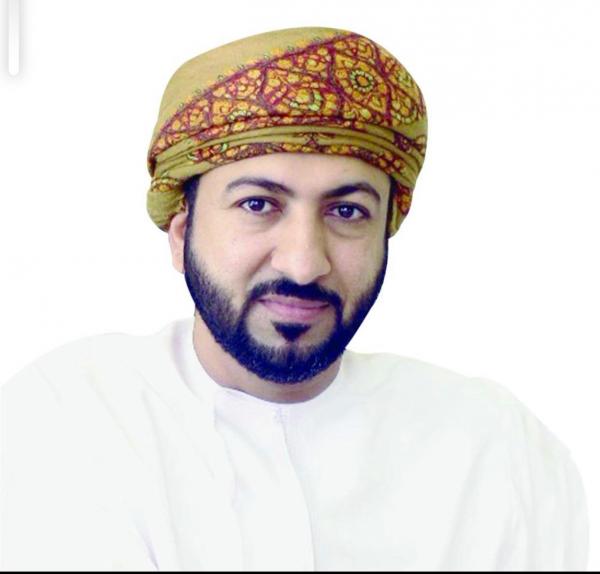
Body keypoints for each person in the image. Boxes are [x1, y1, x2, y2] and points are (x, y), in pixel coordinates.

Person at [1, 27, 588, 571]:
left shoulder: (499, 453)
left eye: (347, 212)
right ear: (181, 235)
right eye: (258, 204)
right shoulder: (63, 426)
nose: (304, 263)